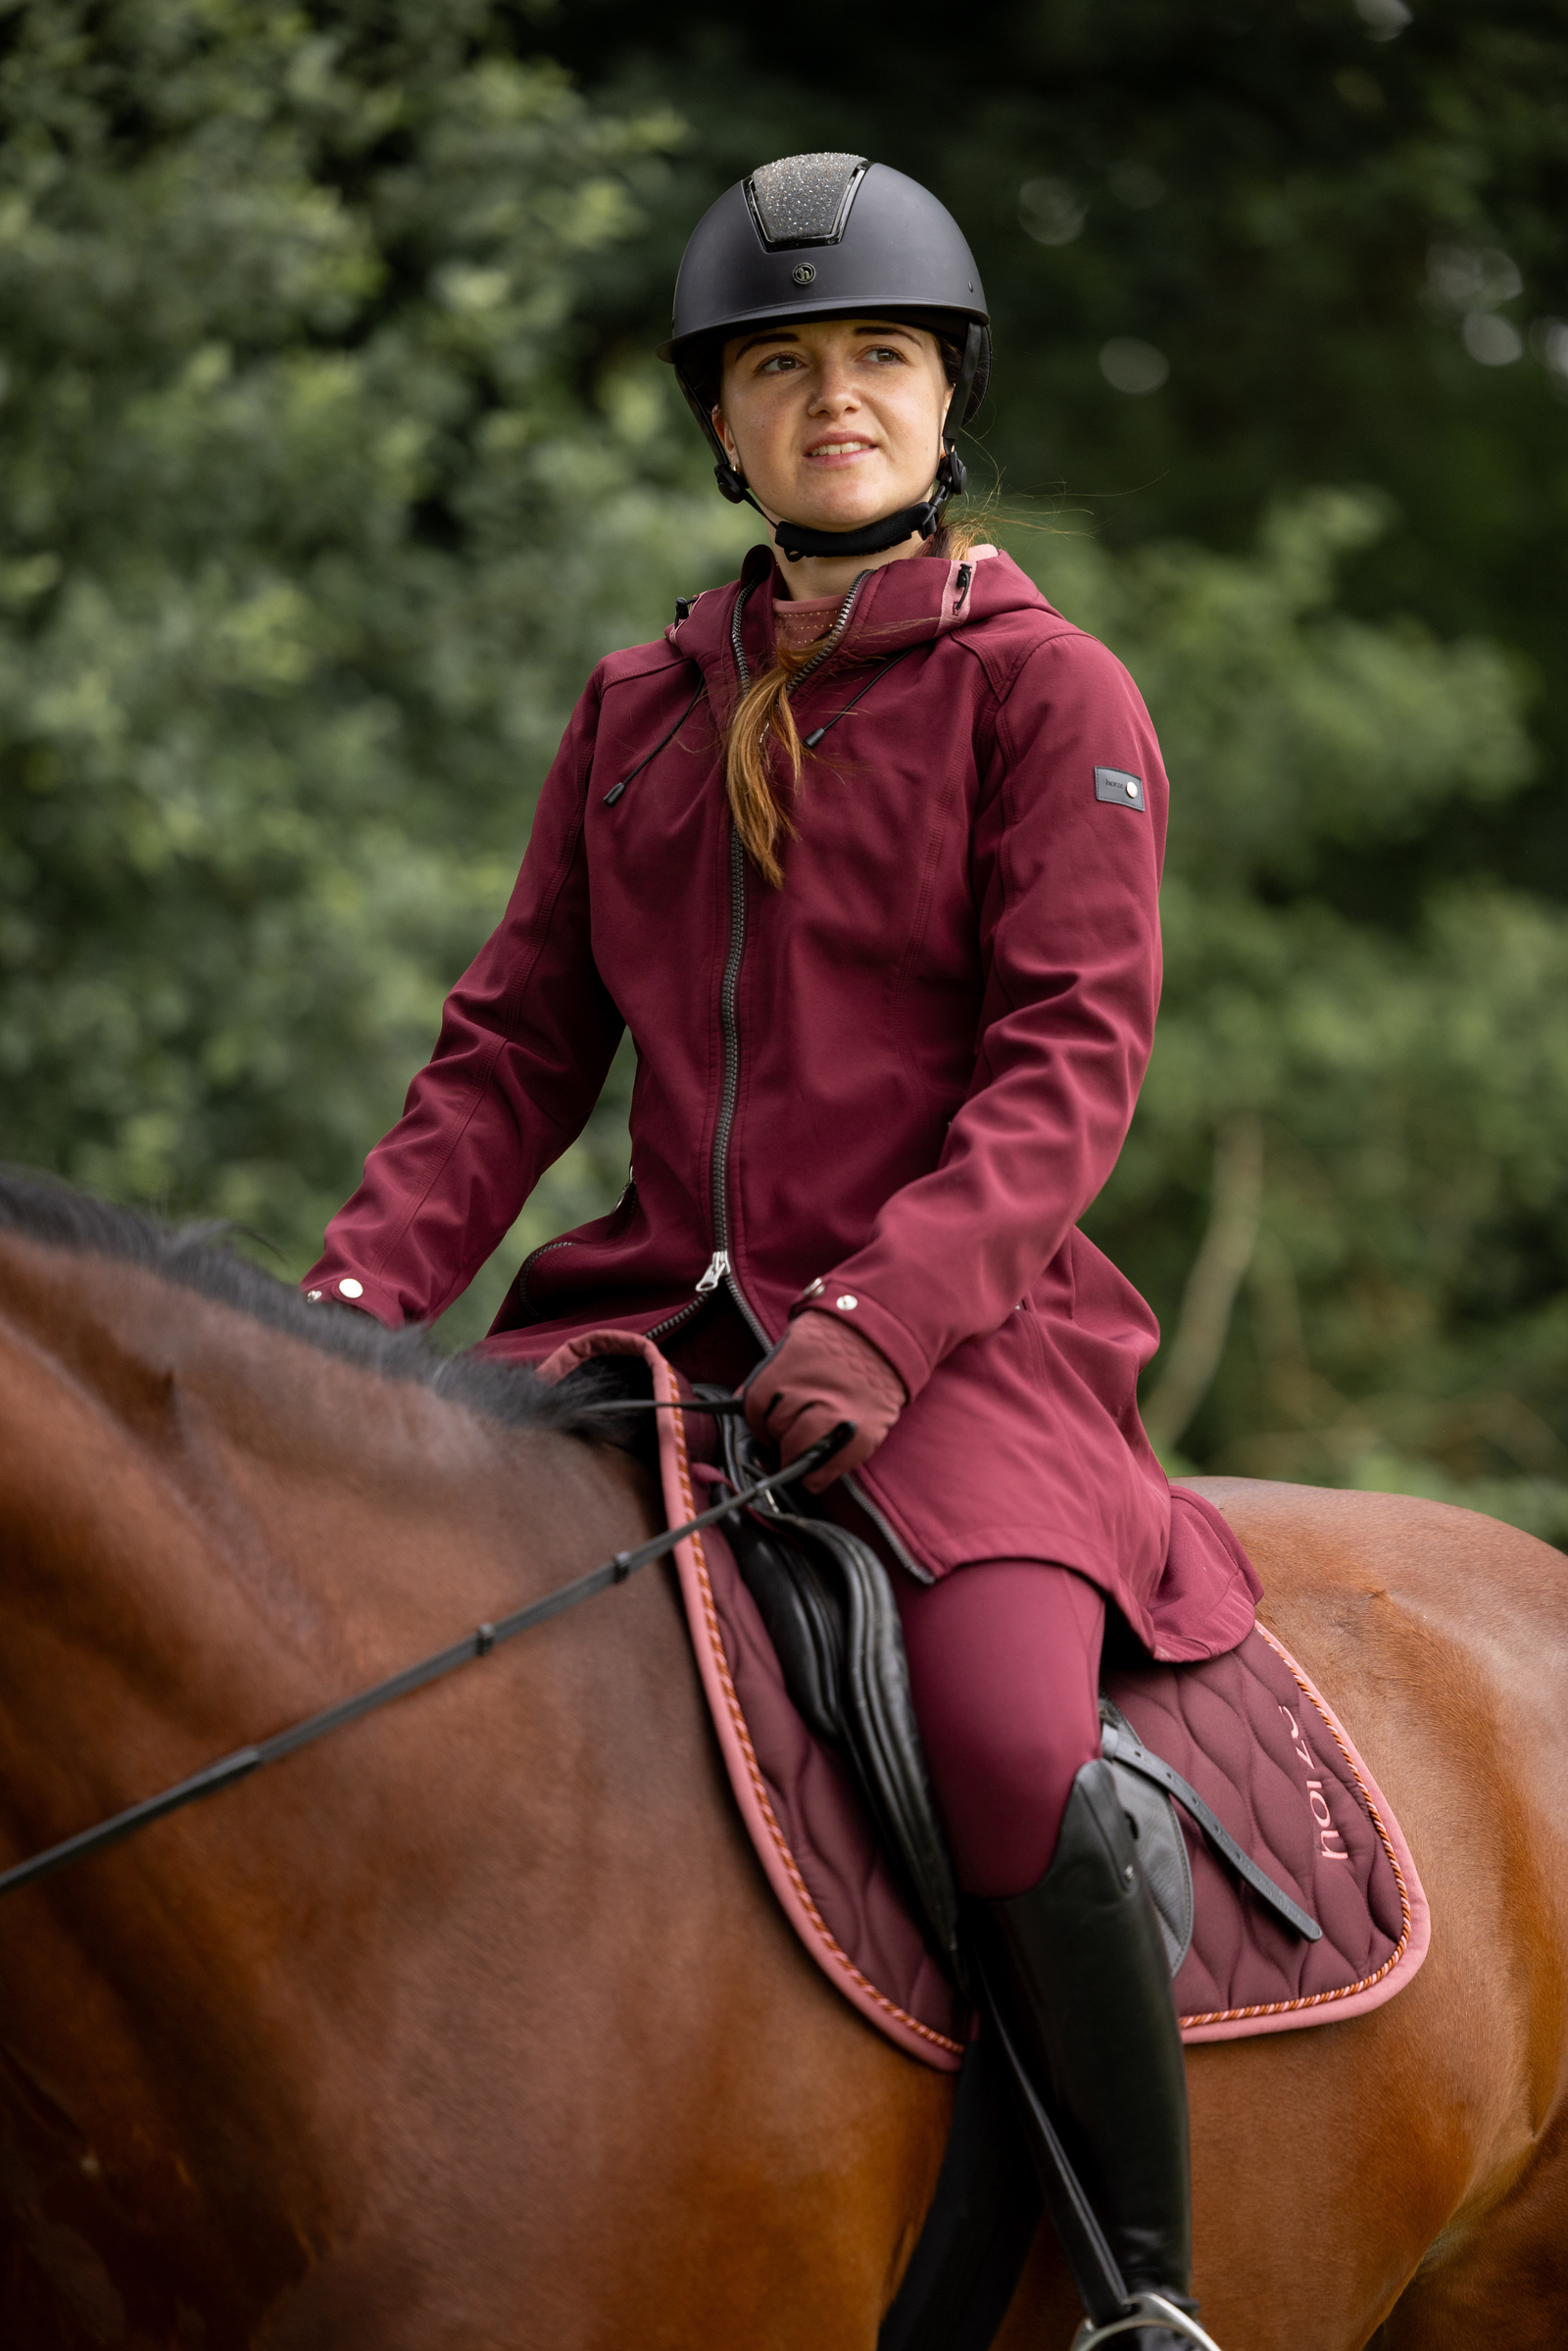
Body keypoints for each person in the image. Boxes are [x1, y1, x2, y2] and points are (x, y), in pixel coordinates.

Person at [304, 154, 1257, 2349]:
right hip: (643, 1336)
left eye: (877, 361)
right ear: (719, 426)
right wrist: (340, 1316)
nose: (833, 397)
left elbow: (1065, 1067)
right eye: (781, 366)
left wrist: (878, 1318)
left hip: (965, 1358)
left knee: (1011, 1743)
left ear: (944, 409)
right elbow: (505, 1057)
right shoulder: (633, 712)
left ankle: (1138, 2295)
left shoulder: (1050, 695)